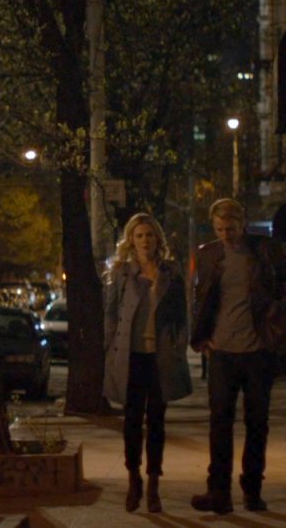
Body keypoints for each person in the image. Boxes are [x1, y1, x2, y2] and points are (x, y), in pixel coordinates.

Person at [188, 198, 286, 514]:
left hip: (258, 351)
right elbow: (201, 298)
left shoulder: (265, 250)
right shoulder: (208, 254)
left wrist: (279, 318)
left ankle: (252, 491)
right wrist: (203, 337)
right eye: (220, 229)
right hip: (222, 352)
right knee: (219, 424)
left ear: (243, 223)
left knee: (257, 423)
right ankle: (219, 493)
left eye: (231, 228)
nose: (226, 234)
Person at [103, 213, 193, 514]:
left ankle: (154, 484)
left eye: (149, 235)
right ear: (131, 240)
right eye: (139, 236)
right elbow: (111, 313)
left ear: (157, 240)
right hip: (131, 357)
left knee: (156, 422)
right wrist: (110, 348)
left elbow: (181, 316)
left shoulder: (171, 272)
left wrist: (179, 346)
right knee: (131, 422)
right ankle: (133, 480)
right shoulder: (122, 273)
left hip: (160, 358)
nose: (144, 241)